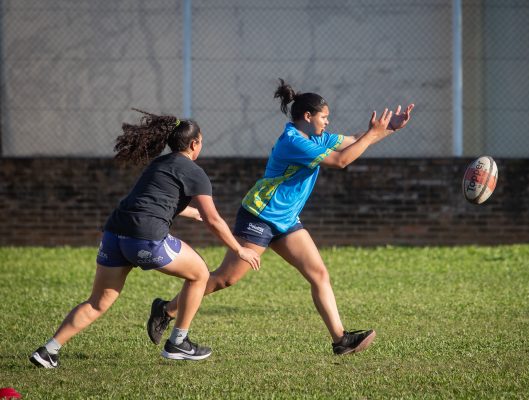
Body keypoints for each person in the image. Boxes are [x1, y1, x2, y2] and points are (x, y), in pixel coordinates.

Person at [147, 79, 414, 355]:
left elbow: (354, 141)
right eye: (324, 117)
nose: (327, 122)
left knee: (319, 273)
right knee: (224, 279)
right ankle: (166, 310)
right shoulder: (293, 141)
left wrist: (388, 129)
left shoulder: (316, 136)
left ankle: (340, 340)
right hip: (260, 216)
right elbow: (341, 160)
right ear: (307, 117)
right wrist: (374, 134)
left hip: (287, 220)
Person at [29, 109, 261, 368]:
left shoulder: (159, 164)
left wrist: (192, 212)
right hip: (145, 238)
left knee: (97, 302)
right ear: (195, 144)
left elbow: (154, 199)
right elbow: (214, 220)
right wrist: (240, 250)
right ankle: (178, 343)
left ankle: (49, 350)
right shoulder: (195, 172)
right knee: (200, 274)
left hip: (114, 234)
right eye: (201, 142)